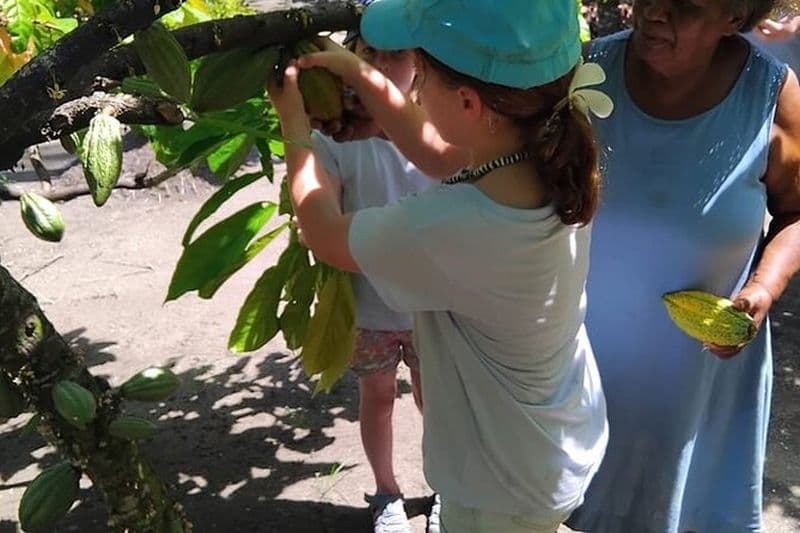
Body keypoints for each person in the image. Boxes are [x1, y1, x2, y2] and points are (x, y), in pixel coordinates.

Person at [267, 1, 609, 531]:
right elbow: (435, 150)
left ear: (470, 103)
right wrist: (357, 75)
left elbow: (326, 235)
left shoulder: (455, 227)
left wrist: (295, 129)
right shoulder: (546, 145)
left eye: (421, 75)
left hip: (499, 485)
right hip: (550, 440)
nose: (415, 87)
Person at [561, 1, 800, 532]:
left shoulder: (772, 95)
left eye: (685, 6)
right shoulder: (584, 74)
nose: (655, 12)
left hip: (698, 381)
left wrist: (763, 286)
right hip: (584, 366)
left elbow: (795, 213)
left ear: (734, 18)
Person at [309, 15, 434, 533]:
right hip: (368, 303)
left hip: (432, 303)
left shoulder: (438, 128)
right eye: (370, 52)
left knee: (436, 398)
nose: (382, 66)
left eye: (397, 55)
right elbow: (325, 221)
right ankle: (387, 493)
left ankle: (445, 485)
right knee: (377, 395)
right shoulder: (337, 136)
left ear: (422, 64)